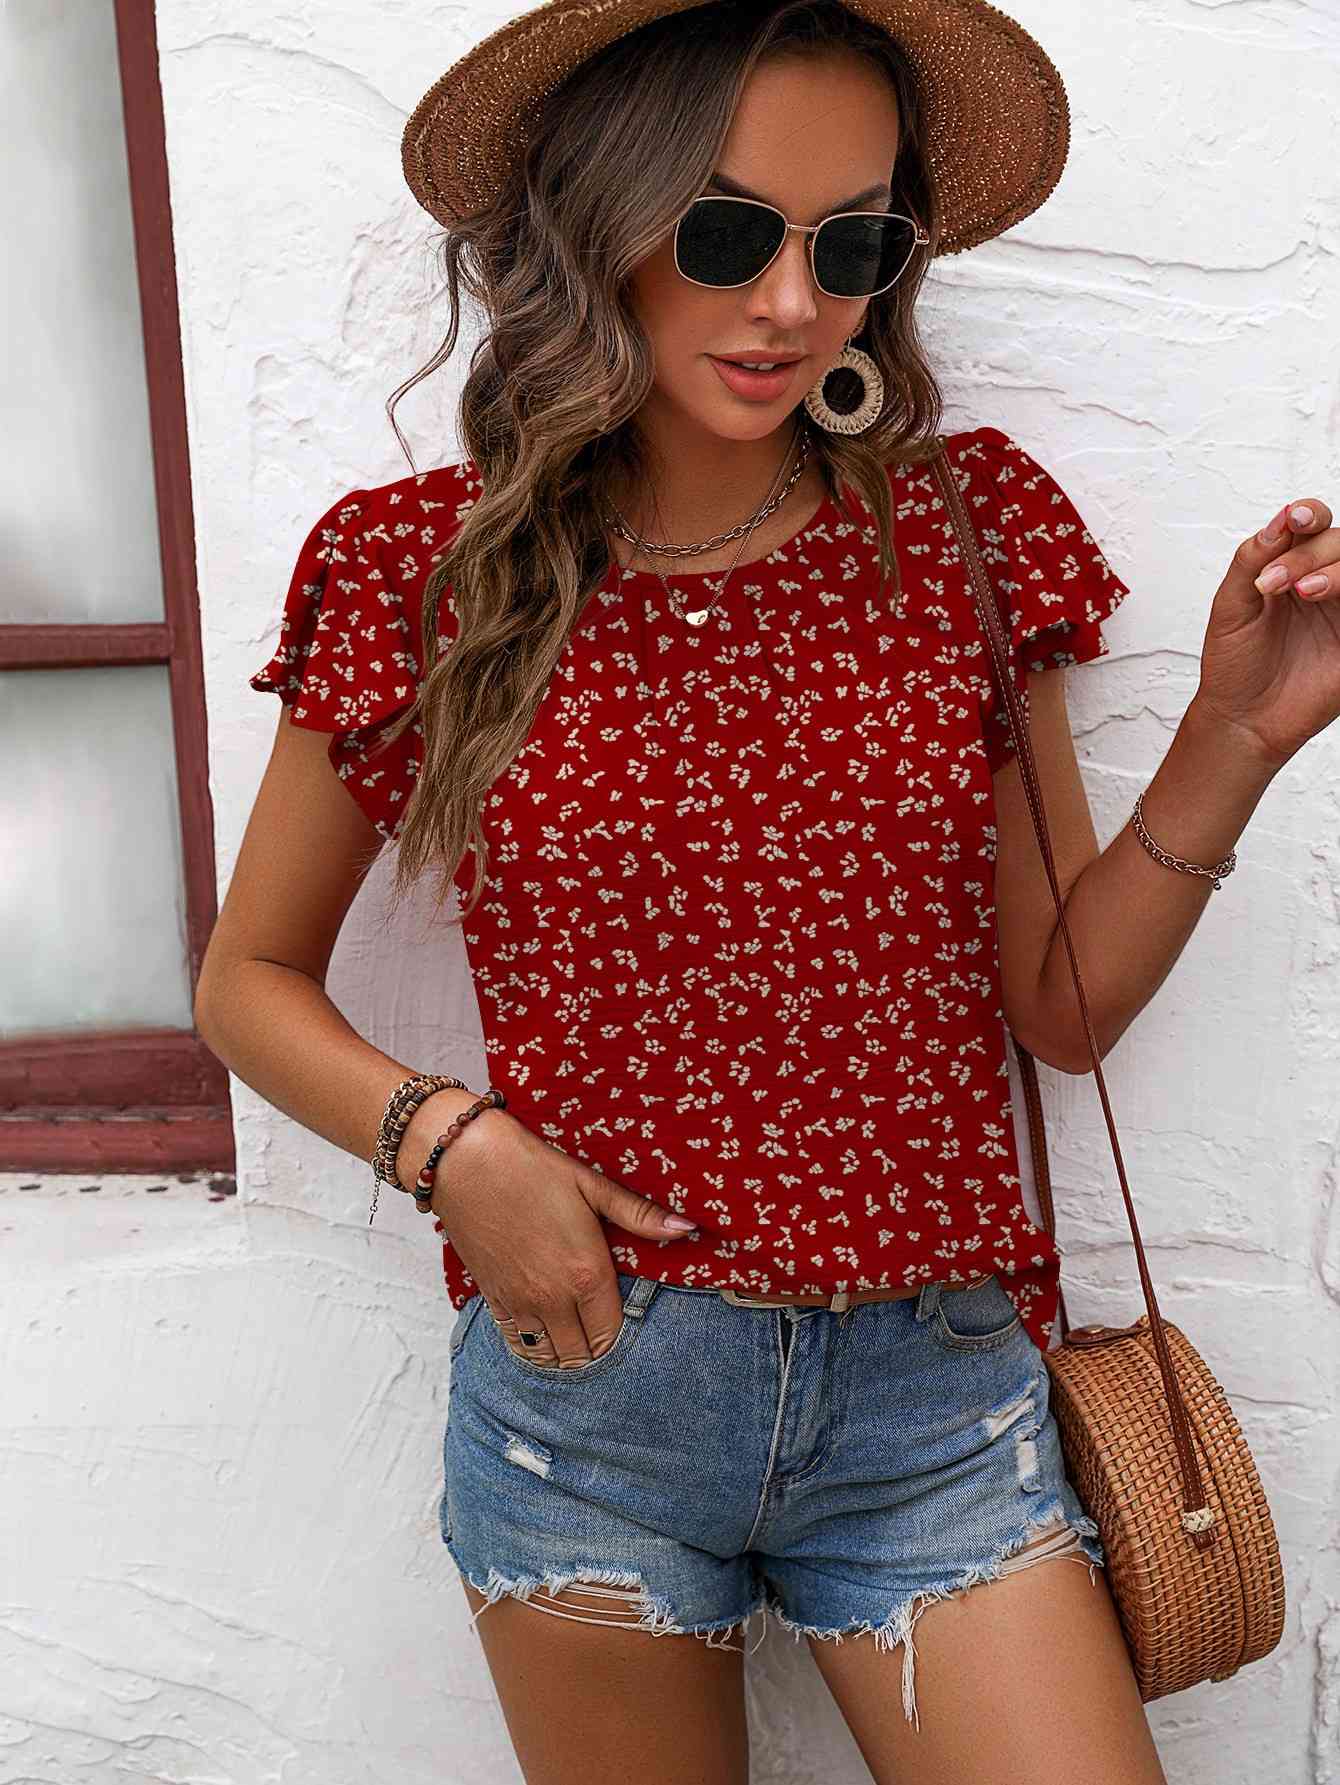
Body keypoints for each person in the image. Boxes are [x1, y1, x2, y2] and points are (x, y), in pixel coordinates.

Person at [197, 2, 1339, 1780]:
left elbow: (1061, 1005)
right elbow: (246, 980)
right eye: (728, 233)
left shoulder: (959, 531)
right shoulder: (426, 571)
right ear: (604, 223)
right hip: (592, 1406)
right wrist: (458, 1151)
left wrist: (1236, 736)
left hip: (934, 1412)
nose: (796, 303)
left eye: (852, 245)